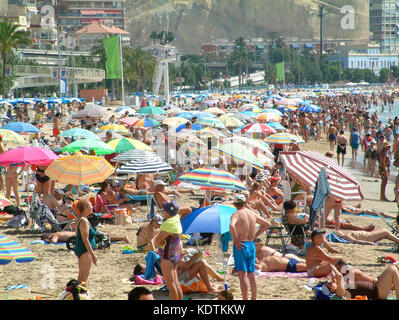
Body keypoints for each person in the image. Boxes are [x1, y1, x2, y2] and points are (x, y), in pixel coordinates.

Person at [229, 194, 271, 300]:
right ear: (246, 203)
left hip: (241, 245)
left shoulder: (236, 214)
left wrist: (236, 239)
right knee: (251, 274)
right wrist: (256, 235)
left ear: (234, 204)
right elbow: (266, 224)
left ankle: (245, 299)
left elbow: (231, 226)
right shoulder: (252, 214)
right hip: (251, 244)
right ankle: (254, 298)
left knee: (242, 275)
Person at [148, 200, 184, 300]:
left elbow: (158, 240)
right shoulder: (177, 220)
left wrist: (155, 239)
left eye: (164, 210)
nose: (162, 211)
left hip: (167, 256)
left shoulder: (167, 224)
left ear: (168, 212)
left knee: (170, 285)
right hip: (175, 254)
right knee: (176, 284)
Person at [328, 263, 399, 300]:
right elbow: (339, 277)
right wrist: (333, 267)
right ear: (332, 289)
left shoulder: (345, 286)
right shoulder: (340, 293)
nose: (331, 282)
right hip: (377, 292)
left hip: (376, 286)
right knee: (392, 269)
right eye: (330, 284)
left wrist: (333, 274)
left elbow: (339, 275)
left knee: (346, 269)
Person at [74, 198, 97, 286]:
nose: (92, 207)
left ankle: (79, 292)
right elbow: (85, 240)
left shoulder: (80, 219)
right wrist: (93, 255)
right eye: (90, 205)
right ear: (86, 207)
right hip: (84, 250)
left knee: (83, 274)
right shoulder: (83, 221)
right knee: (84, 274)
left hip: (82, 249)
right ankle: (79, 293)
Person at [334, 228, 399, 245]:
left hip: (369, 235)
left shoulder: (346, 234)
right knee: (385, 232)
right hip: (368, 237)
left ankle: (397, 240)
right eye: (337, 232)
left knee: (385, 233)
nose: (339, 231)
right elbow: (355, 241)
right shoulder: (346, 236)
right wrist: (368, 243)